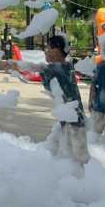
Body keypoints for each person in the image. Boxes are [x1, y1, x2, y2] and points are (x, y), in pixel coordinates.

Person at [19, 35, 89, 165]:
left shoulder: (57, 69)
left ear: (56, 51)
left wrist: (12, 65)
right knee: (72, 152)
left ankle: (84, 179)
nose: (45, 52)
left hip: (73, 121)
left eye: (47, 49)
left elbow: (41, 73)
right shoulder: (66, 66)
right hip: (74, 117)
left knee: (79, 156)